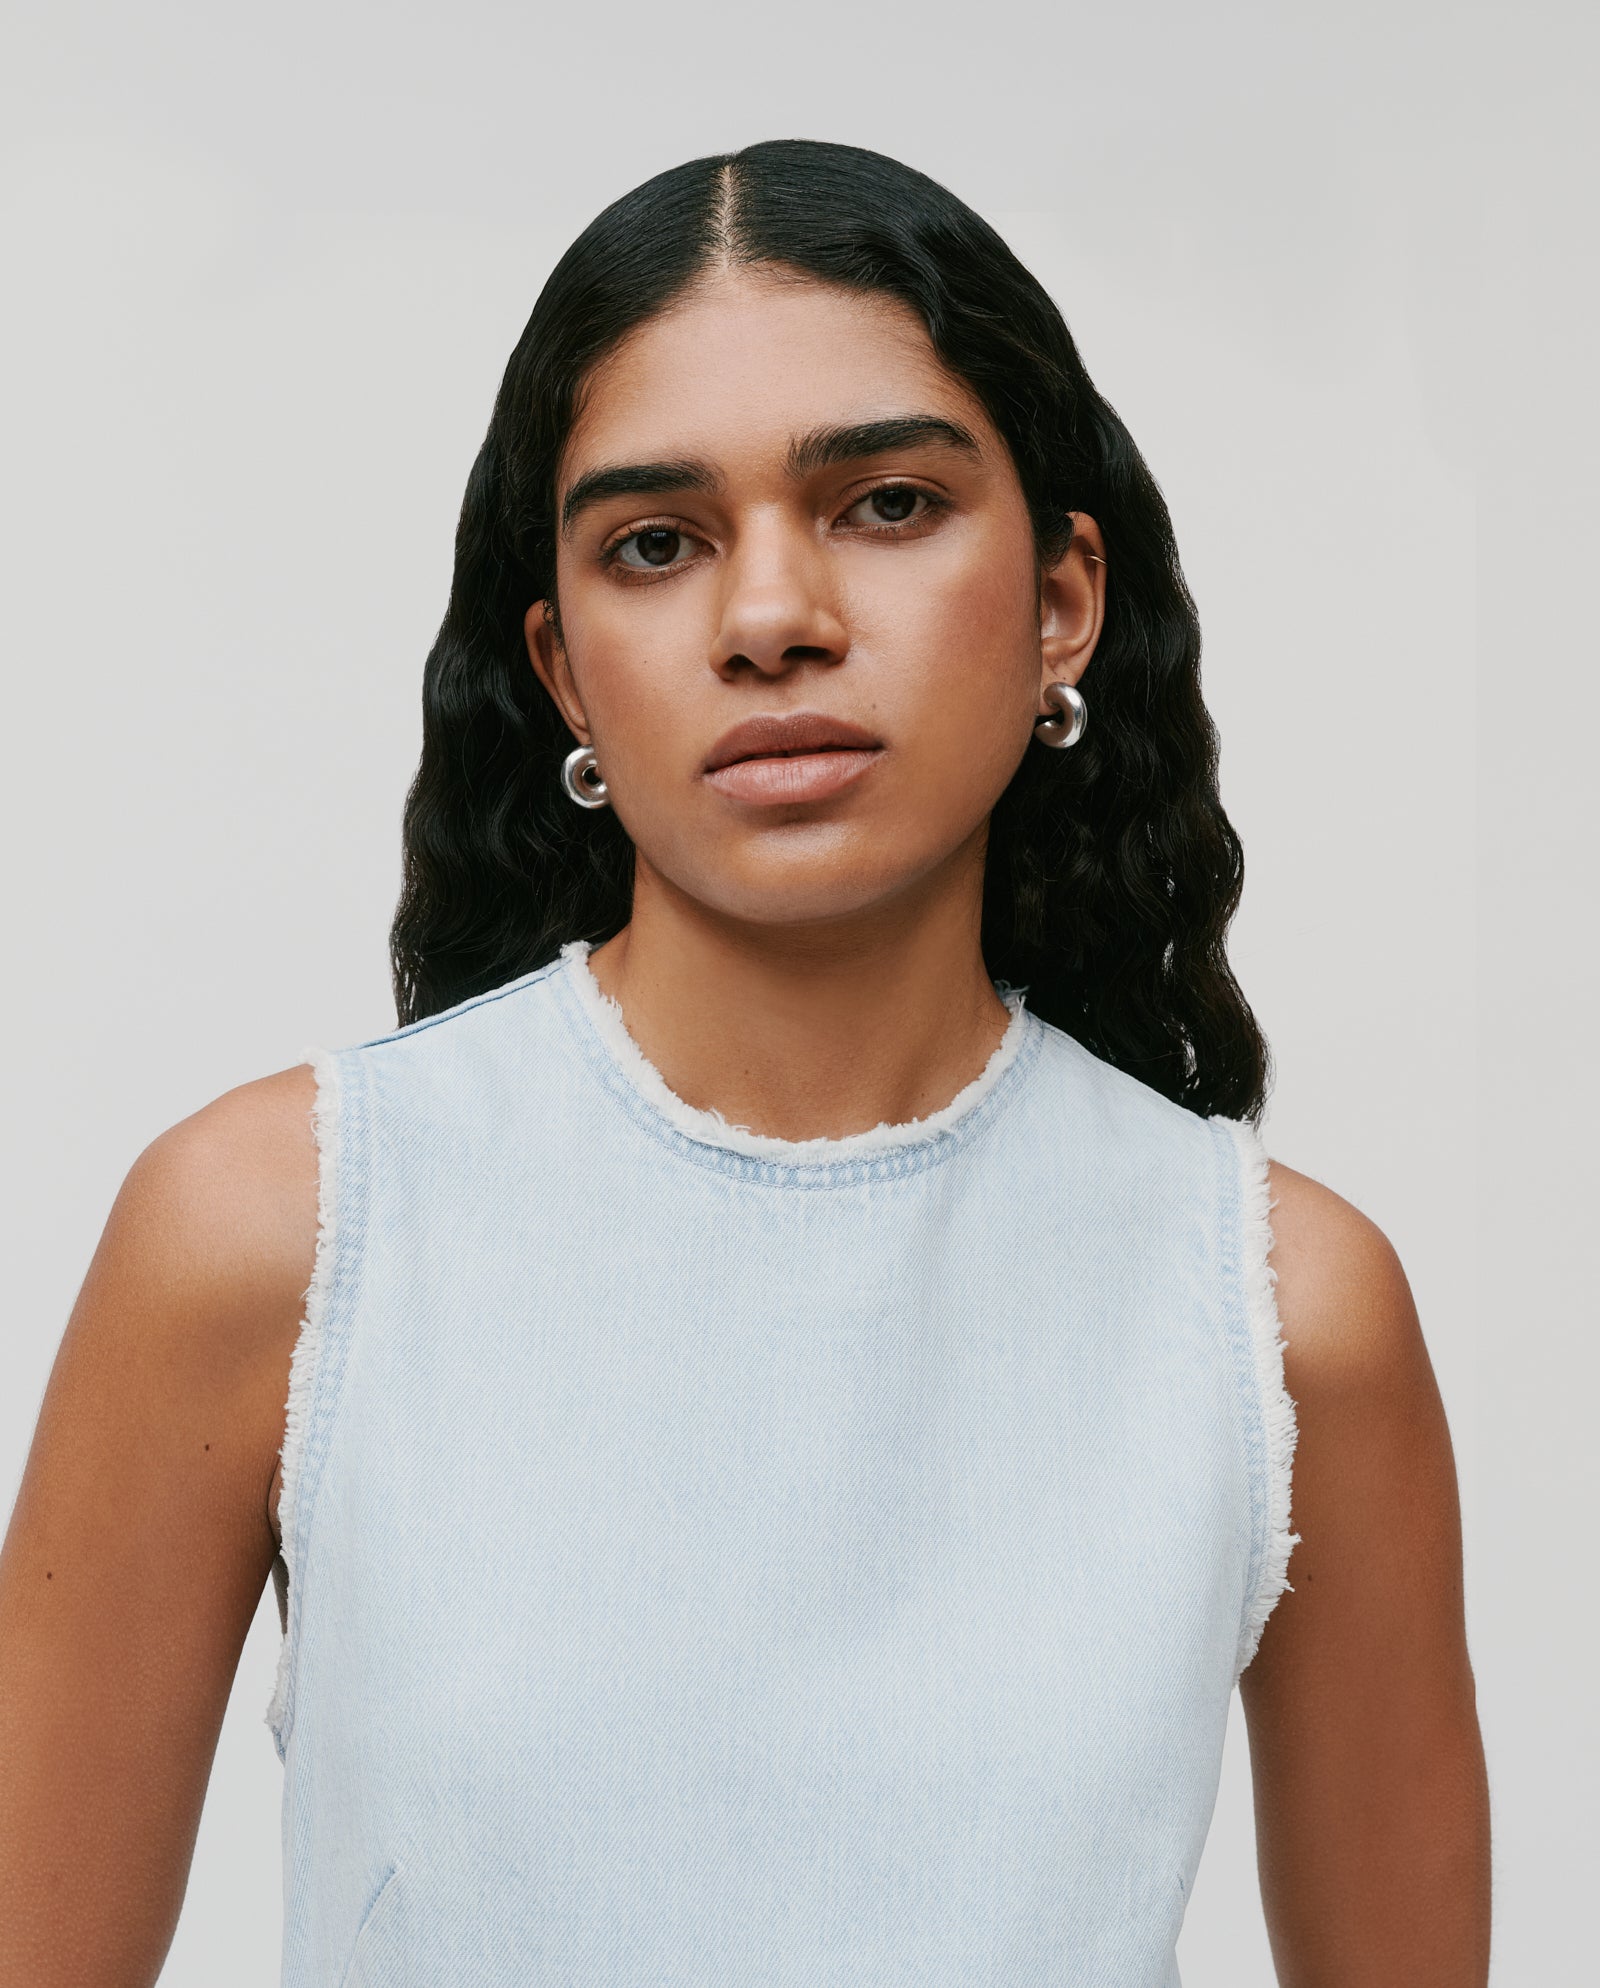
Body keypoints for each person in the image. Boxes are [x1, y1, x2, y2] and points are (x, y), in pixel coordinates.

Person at [0, 138, 1489, 1986]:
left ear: (1063, 602)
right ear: (563, 666)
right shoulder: (278, 1238)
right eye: (655, 542)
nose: (772, 618)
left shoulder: (1278, 1312)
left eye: (887, 504)